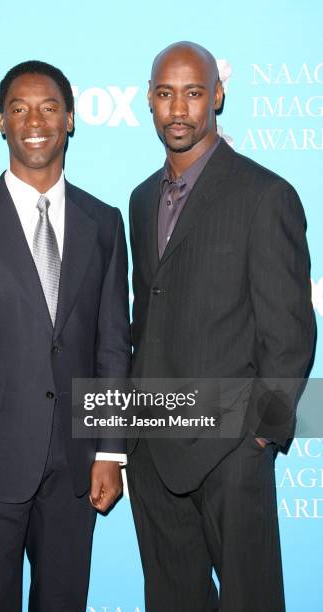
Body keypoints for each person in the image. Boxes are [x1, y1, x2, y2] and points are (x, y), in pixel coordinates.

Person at [0, 60, 131, 612]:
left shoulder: (104, 223)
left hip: (77, 467)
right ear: (1, 123)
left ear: (70, 120)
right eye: (18, 108)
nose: (33, 120)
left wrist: (111, 449)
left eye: (48, 107)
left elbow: (112, 344)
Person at [126, 42, 315, 612]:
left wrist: (258, 441)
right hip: (152, 447)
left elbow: (291, 336)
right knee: (171, 600)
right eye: (165, 94)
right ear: (150, 103)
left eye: (193, 92)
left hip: (230, 451)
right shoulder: (139, 201)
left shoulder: (266, 195)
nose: (178, 108)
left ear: (219, 96)